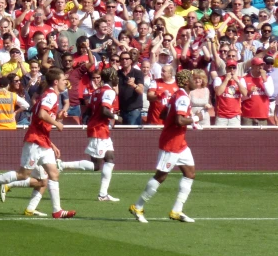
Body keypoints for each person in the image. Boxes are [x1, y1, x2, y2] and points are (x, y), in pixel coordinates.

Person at [0, 68, 76, 219]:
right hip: (35, 142)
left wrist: (52, 143)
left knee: (52, 174)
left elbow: (40, 121)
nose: (66, 82)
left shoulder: (49, 96)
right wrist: (57, 123)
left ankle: (57, 210)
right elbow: (42, 114)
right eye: (63, 80)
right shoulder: (51, 96)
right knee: (23, 174)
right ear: (56, 82)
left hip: (43, 141)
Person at [130, 69, 198, 224]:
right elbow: (179, 121)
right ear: (187, 81)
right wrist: (194, 118)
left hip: (180, 143)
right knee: (161, 176)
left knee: (190, 173)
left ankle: (176, 210)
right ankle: (138, 206)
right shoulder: (182, 97)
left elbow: (163, 115)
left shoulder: (177, 95)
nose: (196, 81)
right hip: (171, 143)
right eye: (193, 79)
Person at [58, 68, 122, 202]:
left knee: (110, 158)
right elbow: (104, 110)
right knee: (96, 166)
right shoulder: (108, 92)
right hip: (98, 129)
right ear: (111, 77)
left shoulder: (96, 91)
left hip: (101, 129)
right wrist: (116, 116)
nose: (117, 79)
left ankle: (103, 194)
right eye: (116, 76)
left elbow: (89, 110)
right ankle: (62, 165)